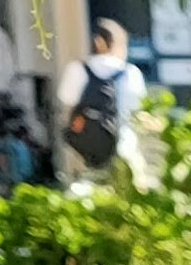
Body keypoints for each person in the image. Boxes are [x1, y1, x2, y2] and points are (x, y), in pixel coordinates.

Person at [54, 19, 154, 186]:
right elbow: (138, 110)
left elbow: (66, 102)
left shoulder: (77, 69)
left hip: (83, 149)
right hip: (123, 146)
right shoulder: (131, 73)